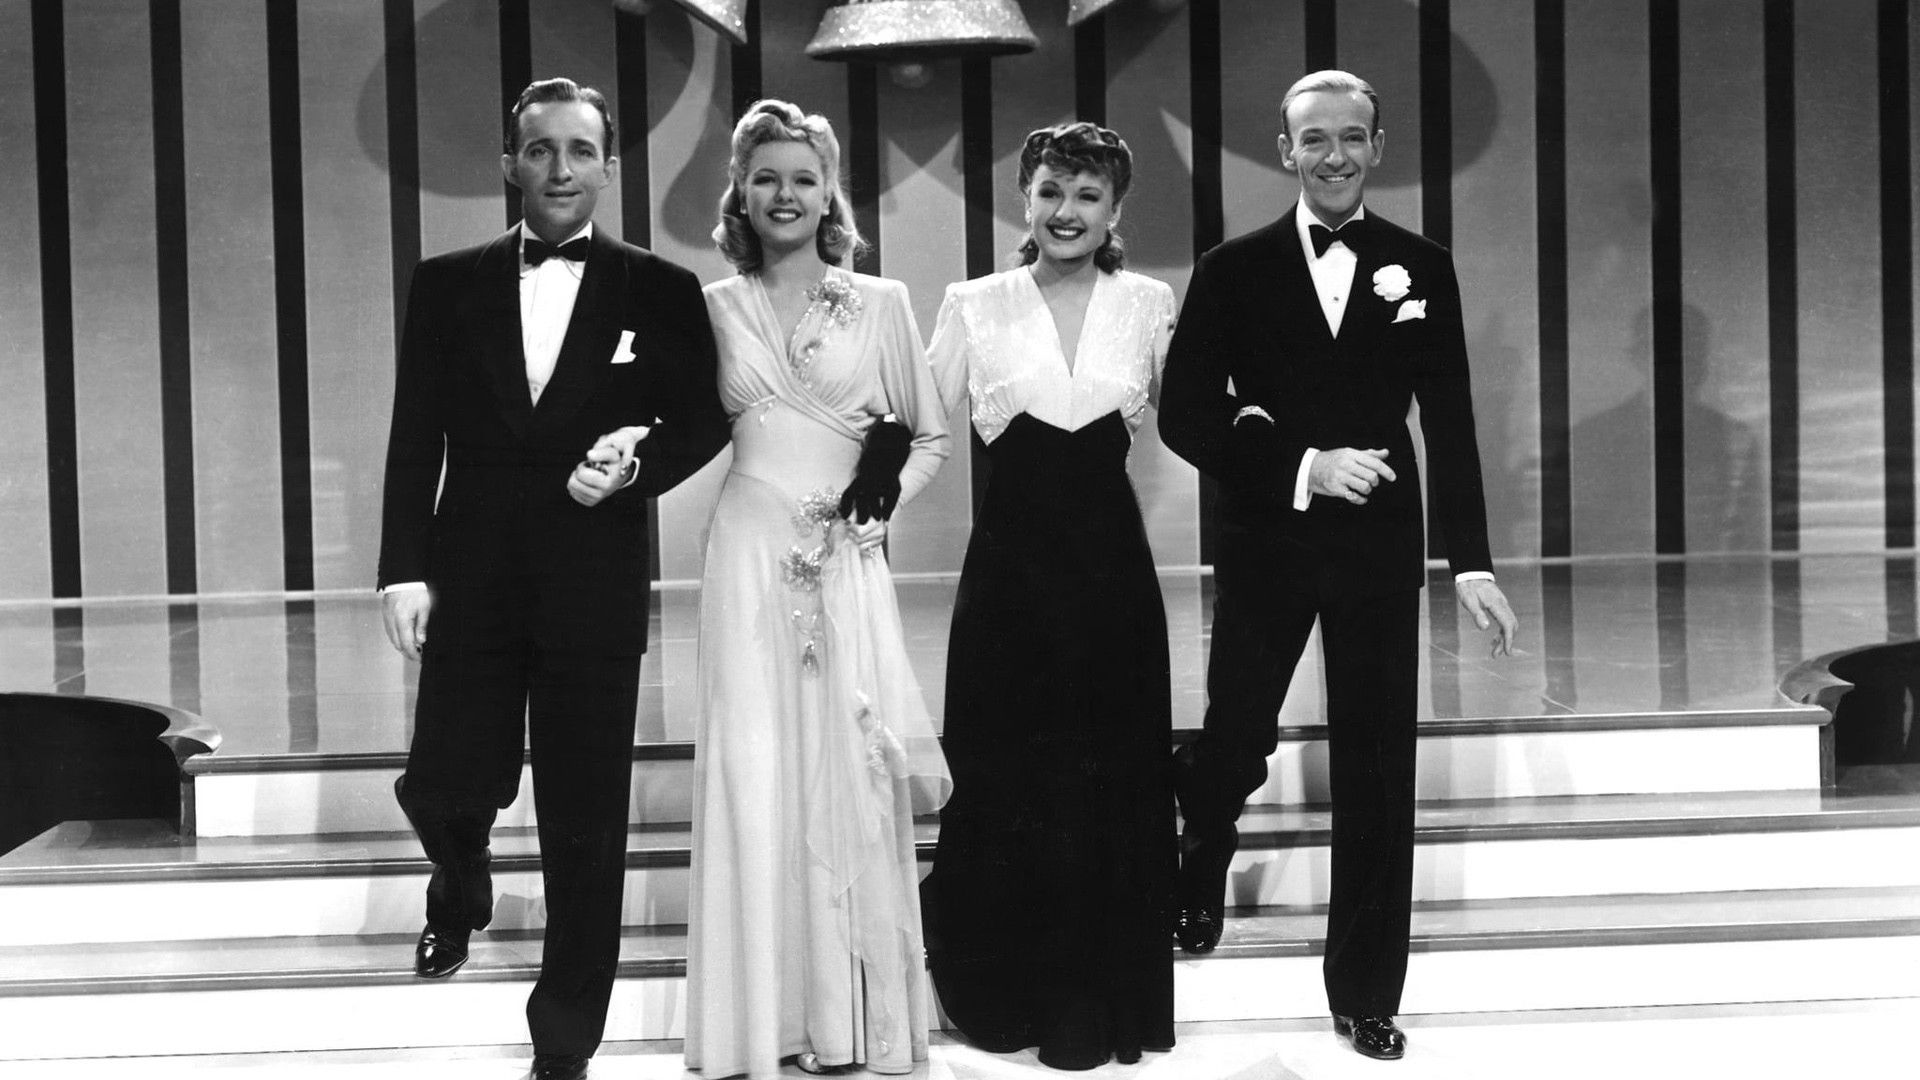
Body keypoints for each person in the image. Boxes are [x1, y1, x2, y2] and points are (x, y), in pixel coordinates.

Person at [1157, 70, 1519, 1062]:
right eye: (1314, 139)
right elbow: (1184, 412)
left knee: (1377, 769)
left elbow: (1452, 420)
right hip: (1266, 536)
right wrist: (1301, 465)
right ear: (1286, 151)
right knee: (1236, 734)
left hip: (1377, 544)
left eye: (1352, 137)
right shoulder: (1232, 269)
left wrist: (1471, 564)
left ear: (1378, 146)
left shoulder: (1422, 266)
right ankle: (1202, 845)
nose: (1335, 156)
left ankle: (1365, 991)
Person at [376, 78, 730, 1080]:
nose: (560, 169)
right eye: (540, 149)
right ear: (510, 163)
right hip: (469, 577)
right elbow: (415, 436)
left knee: (586, 825)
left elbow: (701, 419)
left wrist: (636, 462)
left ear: (608, 168)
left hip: (593, 585)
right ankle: (461, 879)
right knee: (443, 783)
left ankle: (565, 1041)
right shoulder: (445, 283)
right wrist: (401, 570)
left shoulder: (659, 287)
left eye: (579, 151)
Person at [656, 99, 952, 1080]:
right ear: (740, 193)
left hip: (843, 557)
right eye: (766, 178)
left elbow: (930, 433)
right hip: (744, 553)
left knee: (844, 766)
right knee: (752, 766)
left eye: (803, 178)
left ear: (830, 193)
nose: (785, 195)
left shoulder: (883, 302)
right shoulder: (712, 307)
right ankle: (760, 1021)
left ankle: (847, 1020)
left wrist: (882, 503)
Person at [920, 121, 1179, 1070]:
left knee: (1111, 778)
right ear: (1024, 200)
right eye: (1050, 192)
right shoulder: (974, 303)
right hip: (1010, 583)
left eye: (1087, 196)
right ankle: (1008, 995)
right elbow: (918, 427)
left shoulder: (1149, 303)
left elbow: (1198, 417)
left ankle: (1098, 1005)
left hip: (1113, 581)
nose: (1066, 212)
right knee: (1009, 776)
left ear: (1114, 210)